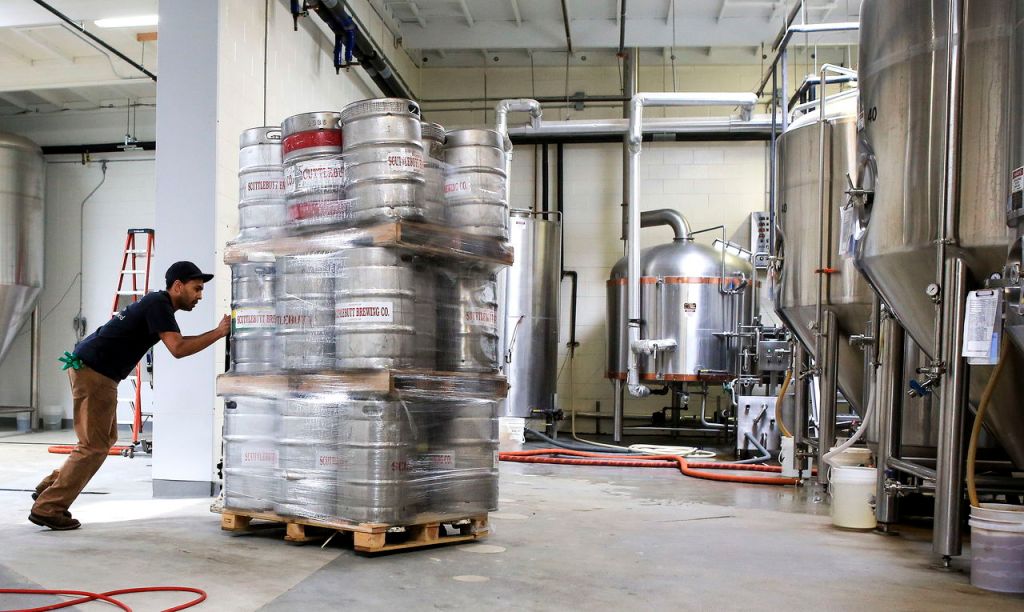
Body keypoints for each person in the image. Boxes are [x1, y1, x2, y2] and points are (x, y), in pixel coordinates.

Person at [29, 261, 230, 530]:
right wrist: (219, 332)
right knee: (94, 446)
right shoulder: (159, 304)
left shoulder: (157, 303)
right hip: (95, 372)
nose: (200, 296)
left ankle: (49, 488)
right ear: (177, 286)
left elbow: (176, 343)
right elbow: (178, 348)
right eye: (197, 288)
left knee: (101, 441)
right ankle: (49, 507)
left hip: (92, 369)